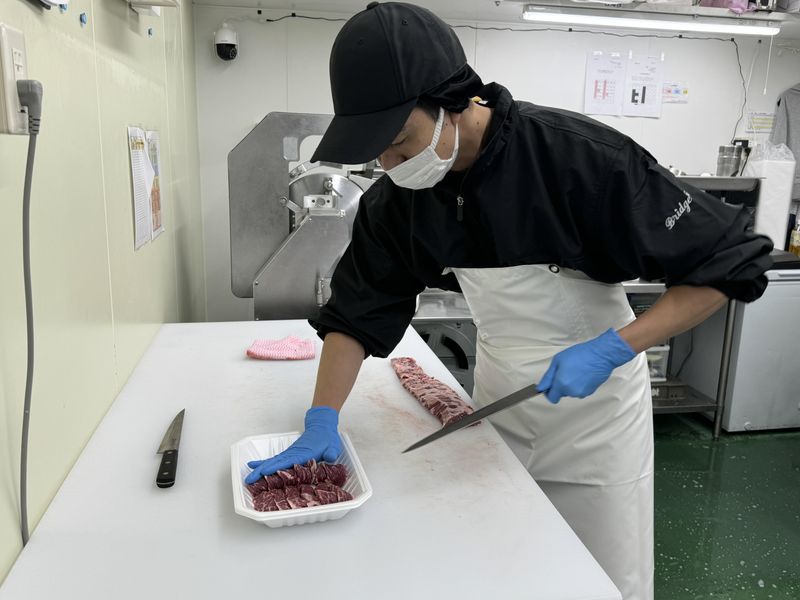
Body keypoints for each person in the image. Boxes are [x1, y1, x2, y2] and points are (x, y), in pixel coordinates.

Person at [244, 3, 773, 598]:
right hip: (500, 400)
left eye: (399, 142)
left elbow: (730, 263)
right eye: (377, 154)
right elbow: (356, 312)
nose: (389, 165)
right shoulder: (396, 202)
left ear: (452, 101)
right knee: (505, 564)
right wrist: (323, 418)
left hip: (596, 414)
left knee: (603, 576)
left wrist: (614, 348)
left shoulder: (579, 158)